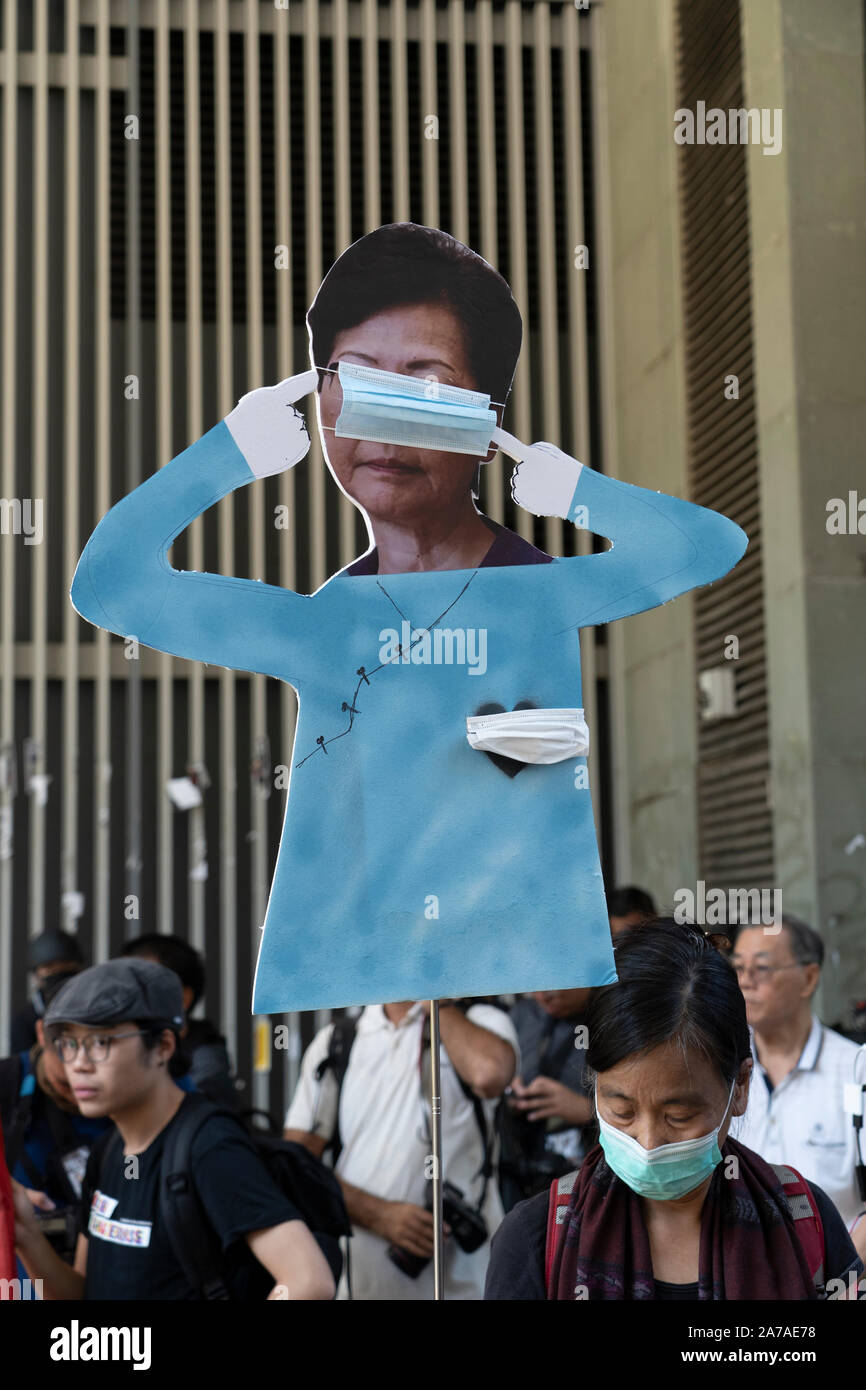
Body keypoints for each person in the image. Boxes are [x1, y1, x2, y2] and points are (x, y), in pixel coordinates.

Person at [69, 222, 747, 1017]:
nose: (386, 427)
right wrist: (230, 450)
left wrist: (565, 486)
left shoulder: (537, 593)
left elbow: (707, 543)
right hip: (373, 986)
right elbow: (111, 586)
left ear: (486, 422)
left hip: (523, 991)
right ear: (318, 401)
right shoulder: (330, 621)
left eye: (425, 390)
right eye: (356, 383)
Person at [485, 921, 863, 1300]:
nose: (648, 1144)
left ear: (740, 1087)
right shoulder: (536, 1239)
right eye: (622, 1111)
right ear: (595, 1086)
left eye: (678, 1116)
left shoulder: (804, 1221)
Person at [11, 959, 335, 1300]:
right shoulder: (108, 1152)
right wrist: (26, 1235)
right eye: (69, 1044)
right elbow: (83, 1293)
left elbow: (307, 1281)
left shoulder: (209, 1146)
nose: (78, 1063)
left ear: (163, 1046)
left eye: (101, 1042)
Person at [284, 997, 518, 1299]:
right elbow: (296, 1161)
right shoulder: (338, 1039)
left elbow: (489, 1074)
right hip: (364, 1282)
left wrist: (435, 1003)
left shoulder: (481, 1019)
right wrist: (377, 1214)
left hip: (464, 1283)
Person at [730, 915, 866, 1263]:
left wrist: (845, 1274)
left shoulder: (855, 1069)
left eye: (761, 969)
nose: (745, 982)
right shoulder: (719, 1068)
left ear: (808, 978)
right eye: (738, 968)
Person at [498, 987, 596, 1212]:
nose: (543, 994)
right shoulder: (522, 1016)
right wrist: (510, 1094)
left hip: (585, 1178)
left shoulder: (611, 1019)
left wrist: (587, 1110)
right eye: (536, 984)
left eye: (556, 983)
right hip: (523, 1173)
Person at [119, 933, 238, 1109]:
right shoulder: (119, 1045)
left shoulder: (207, 1064)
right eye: (123, 985)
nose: (126, 998)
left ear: (182, 998)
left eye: (142, 987)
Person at [10, 929, 84, 1052]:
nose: (58, 971)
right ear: (36, 975)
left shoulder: (96, 1011)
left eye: (65, 964)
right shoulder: (25, 1021)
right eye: (49, 967)